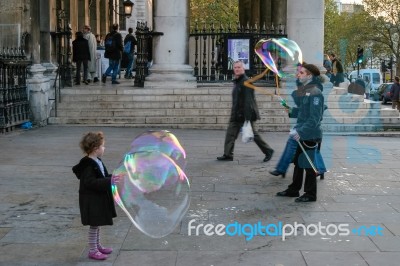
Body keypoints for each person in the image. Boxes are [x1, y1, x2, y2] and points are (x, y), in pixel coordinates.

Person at [276, 63, 325, 202]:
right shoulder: (307, 90)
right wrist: (289, 109)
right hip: (303, 131)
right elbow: (304, 112)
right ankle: (293, 189)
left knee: (308, 165)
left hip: (310, 133)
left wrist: (301, 132)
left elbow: (315, 118)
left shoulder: (315, 92)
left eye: (302, 73)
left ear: (309, 75)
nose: (299, 74)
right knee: (298, 162)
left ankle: (310, 194)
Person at [72, 131, 119, 260]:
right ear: (95, 148)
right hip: (91, 200)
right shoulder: (88, 165)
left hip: (97, 198)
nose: (104, 148)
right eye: (103, 146)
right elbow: (90, 183)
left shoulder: (96, 160)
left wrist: (112, 177)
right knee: (94, 225)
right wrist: (109, 181)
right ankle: (93, 250)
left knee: (97, 224)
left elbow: (101, 177)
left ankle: (97, 246)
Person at [217, 61, 274, 162]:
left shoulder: (246, 82)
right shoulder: (237, 81)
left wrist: (247, 119)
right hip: (236, 113)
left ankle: (268, 150)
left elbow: (248, 101)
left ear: (243, 69)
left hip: (244, 114)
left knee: (253, 135)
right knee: (230, 133)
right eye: (235, 67)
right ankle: (228, 154)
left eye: (239, 67)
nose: (237, 69)